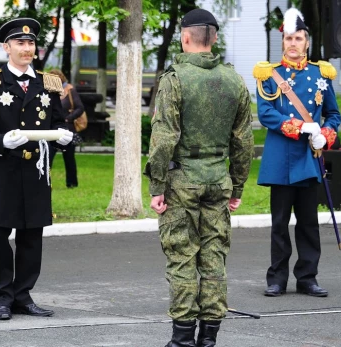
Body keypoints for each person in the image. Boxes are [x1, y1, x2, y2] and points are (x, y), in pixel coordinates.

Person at [144, 8, 254, 347]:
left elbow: (163, 140)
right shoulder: (234, 79)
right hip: (218, 181)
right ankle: (209, 338)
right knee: (214, 258)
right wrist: (236, 186)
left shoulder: (174, 79)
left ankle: (181, 340)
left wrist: (156, 187)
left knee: (182, 258)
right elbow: (244, 142)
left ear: (184, 37)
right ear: (215, 38)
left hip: (182, 183)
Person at [0, 18, 73, 321]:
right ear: (7, 47)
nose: (27, 48)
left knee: (32, 236)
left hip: (36, 172)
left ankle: (23, 295)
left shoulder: (47, 83)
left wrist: (64, 138)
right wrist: (2, 140)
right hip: (4, 169)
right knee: (0, 237)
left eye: (30, 43)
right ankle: (3, 297)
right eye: (20, 43)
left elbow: (58, 123)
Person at [253, 8, 341, 298]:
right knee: (279, 224)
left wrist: (323, 136)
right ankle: (277, 278)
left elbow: (333, 115)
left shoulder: (321, 74)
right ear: (283, 42)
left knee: (308, 223)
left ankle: (307, 277)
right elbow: (265, 113)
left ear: (307, 42)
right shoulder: (269, 75)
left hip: (307, 160)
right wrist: (299, 127)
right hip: (280, 159)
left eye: (298, 38)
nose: (293, 43)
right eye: (289, 38)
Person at [47, 69, 84, 188]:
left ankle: (72, 183)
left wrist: (69, 118)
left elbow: (79, 108)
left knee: (69, 158)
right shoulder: (48, 91)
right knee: (48, 157)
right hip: (51, 129)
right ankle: (45, 181)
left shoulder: (69, 90)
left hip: (68, 128)